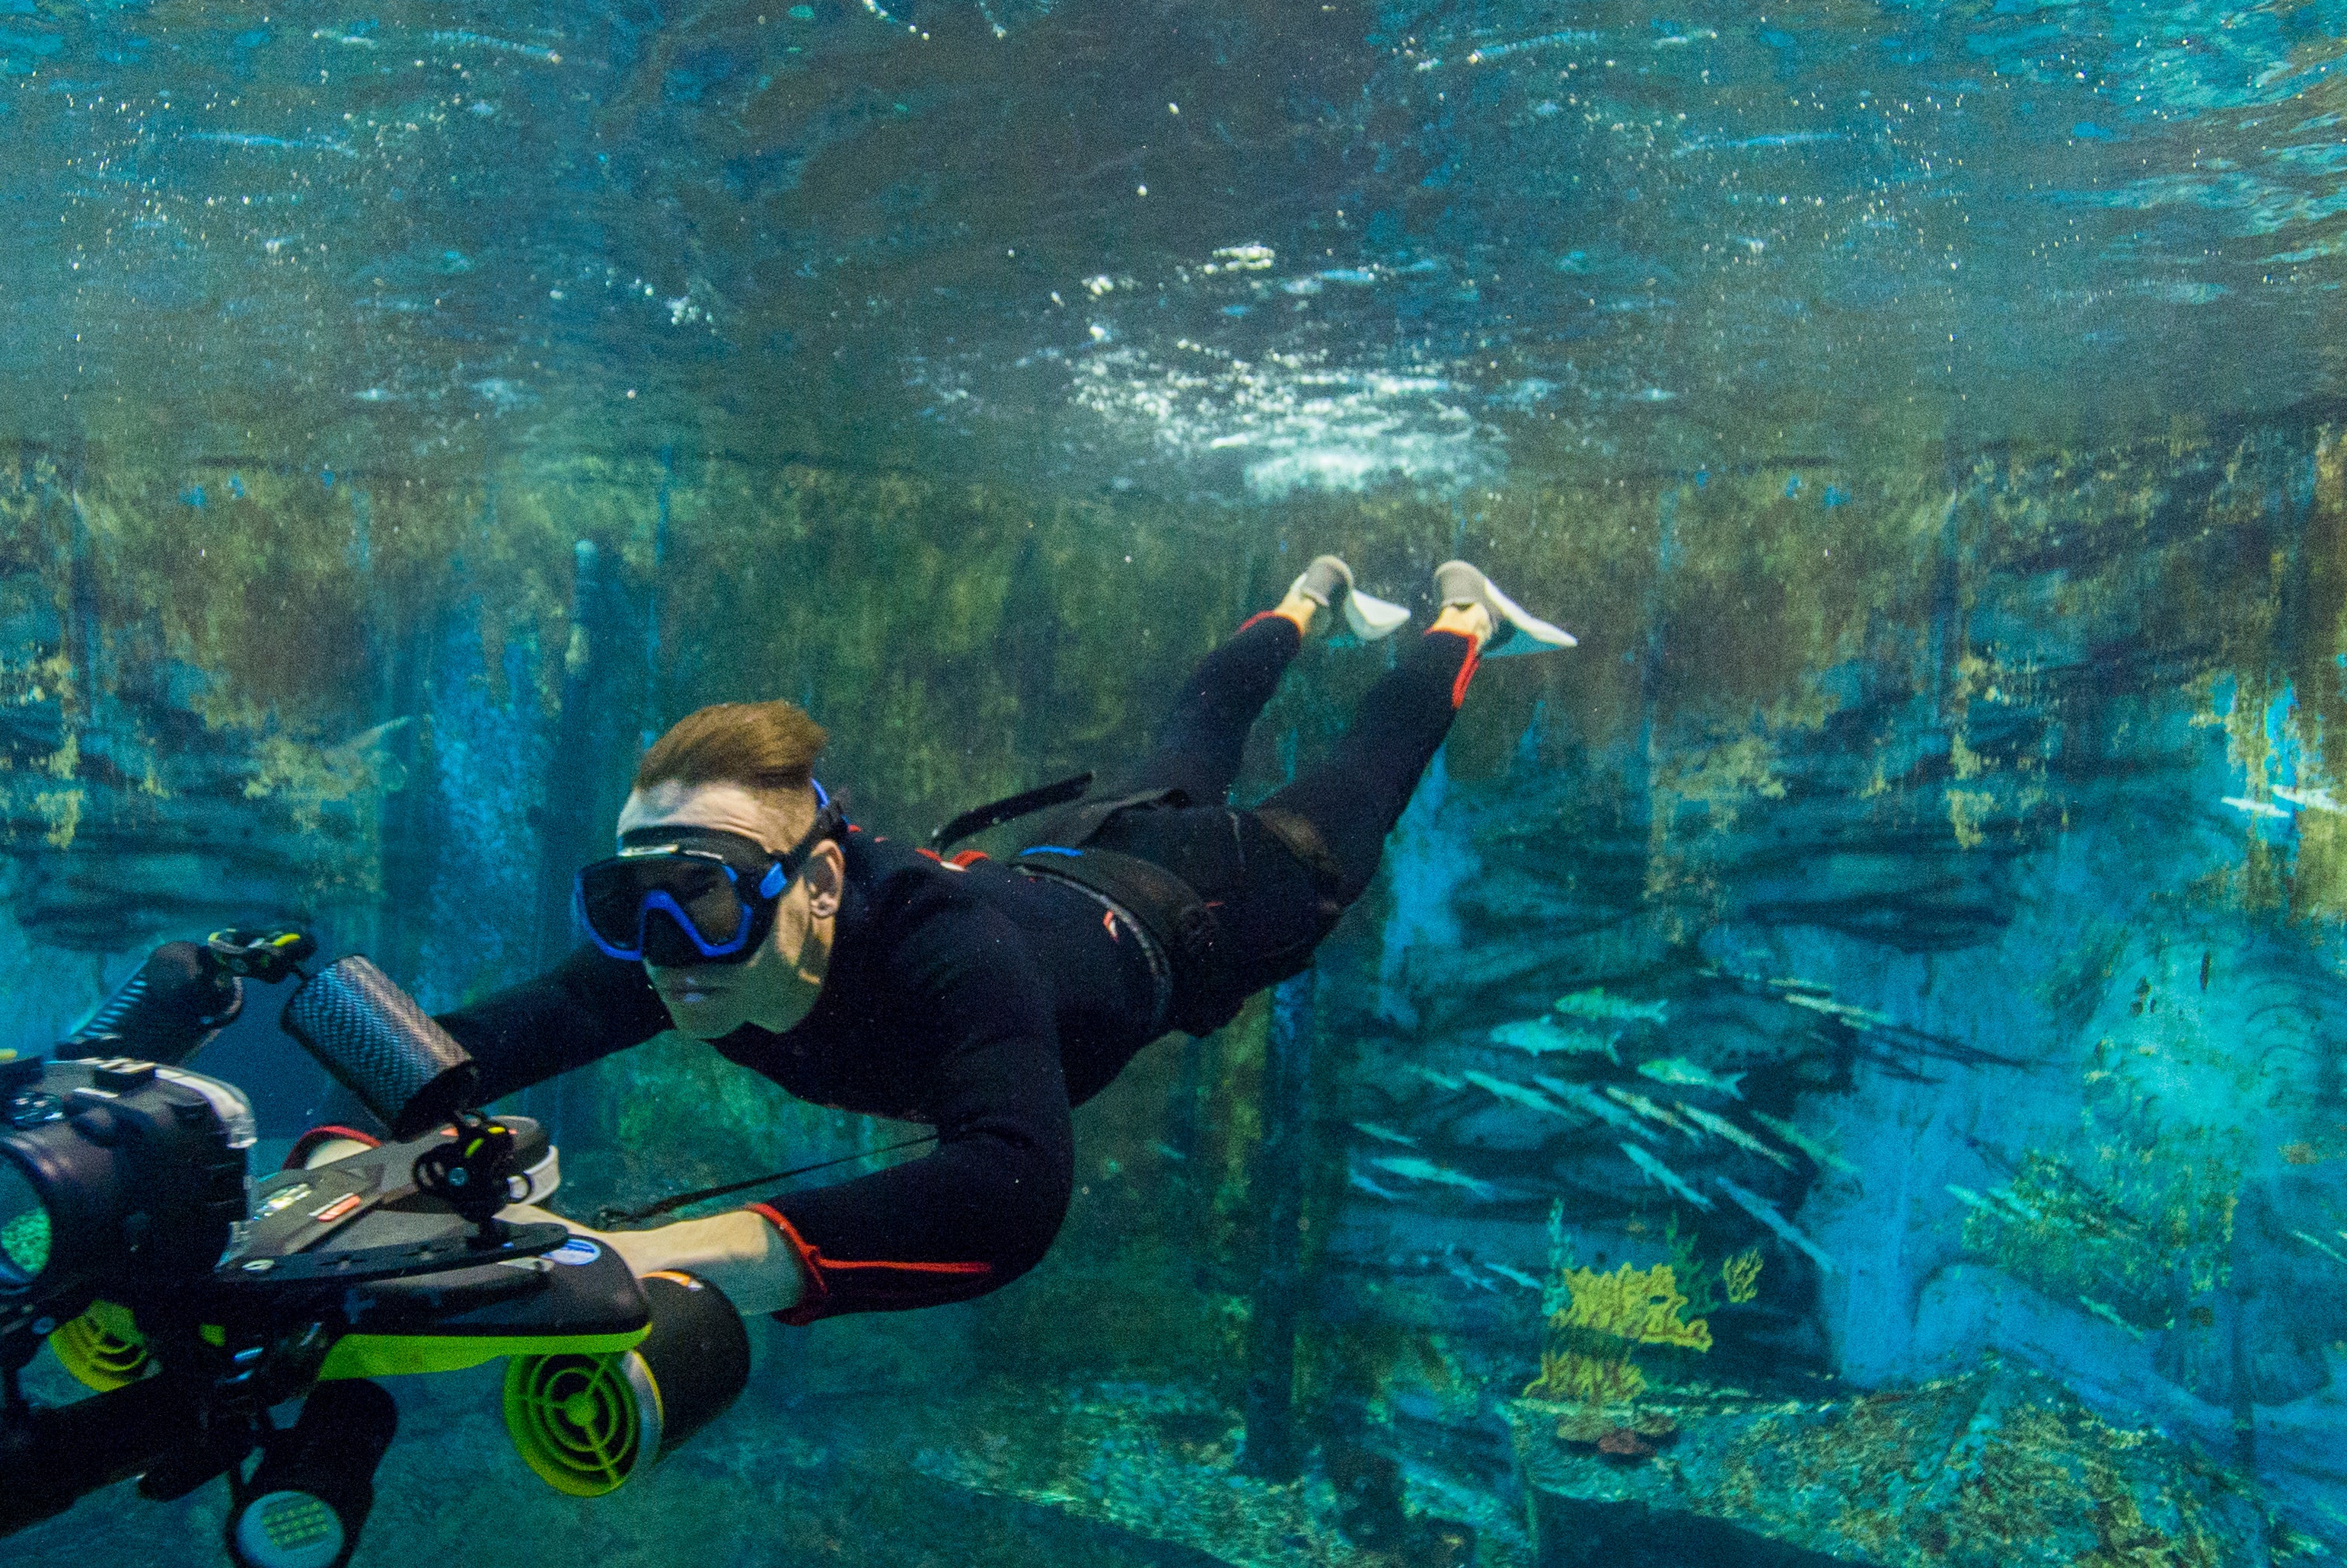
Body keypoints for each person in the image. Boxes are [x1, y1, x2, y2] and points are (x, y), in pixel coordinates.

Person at [434, 558, 1577, 1322]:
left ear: (820, 882)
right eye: (630, 901)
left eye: (709, 895)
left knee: (1355, 790)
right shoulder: (689, 951)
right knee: (1190, 736)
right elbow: (461, 1047)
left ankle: (1461, 614)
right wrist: (335, 1159)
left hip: (1205, 905)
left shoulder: (945, 955)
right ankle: (1307, 599)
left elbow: (1011, 1189)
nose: (667, 942)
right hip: (1065, 858)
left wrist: (654, 1255)